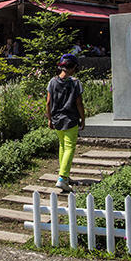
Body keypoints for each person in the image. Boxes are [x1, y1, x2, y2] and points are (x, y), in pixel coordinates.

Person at [46, 53, 85, 194]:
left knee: (62, 146)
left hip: (57, 119)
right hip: (70, 119)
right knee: (69, 147)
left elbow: (48, 102)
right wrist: (83, 118)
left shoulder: (52, 82)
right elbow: (79, 103)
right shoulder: (75, 83)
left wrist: (49, 119)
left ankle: (65, 176)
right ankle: (62, 179)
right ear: (73, 67)